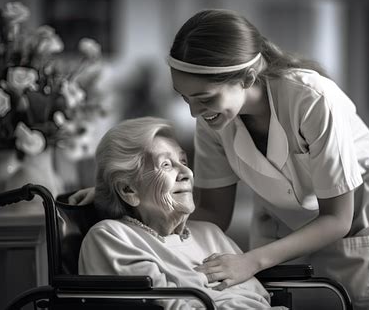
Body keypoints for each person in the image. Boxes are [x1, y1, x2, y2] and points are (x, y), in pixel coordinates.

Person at [72, 9, 369, 310]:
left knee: (359, 299)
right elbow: (214, 213)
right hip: (279, 210)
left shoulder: (312, 99)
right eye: (185, 98)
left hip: (355, 211)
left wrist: (252, 260)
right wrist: (122, 197)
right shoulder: (212, 122)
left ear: (247, 78)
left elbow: (336, 218)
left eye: (205, 98)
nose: (194, 112)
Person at [78, 117, 284, 309]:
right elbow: (166, 305)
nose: (187, 173)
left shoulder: (209, 233)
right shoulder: (113, 237)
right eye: (166, 165)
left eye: (183, 162)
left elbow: (260, 296)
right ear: (128, 190)